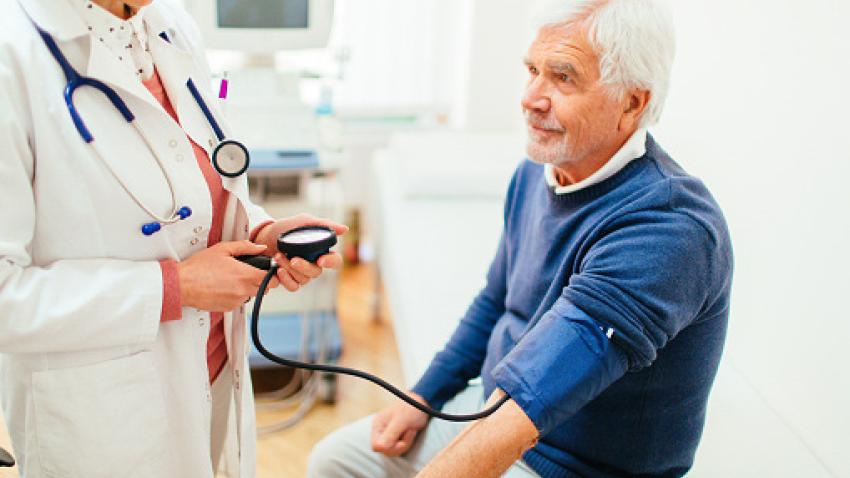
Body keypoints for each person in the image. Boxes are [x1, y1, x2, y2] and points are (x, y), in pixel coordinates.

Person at [307, 0, 733, 477]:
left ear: (632, 103)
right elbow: (496, 300)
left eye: (563, 77)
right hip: (492, 410)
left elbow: (533, 400)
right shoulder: (537, 173)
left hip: (571, 461)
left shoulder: (668, 227)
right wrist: (423, 395)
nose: (532, 96)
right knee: (335, 461)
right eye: (532, 69)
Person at [0, 0, 346, 476]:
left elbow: (196, 182)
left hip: (212, 373)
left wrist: (259, 234)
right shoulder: (13, 54)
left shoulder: (171, 27)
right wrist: (174, 288)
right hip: (106, 416)